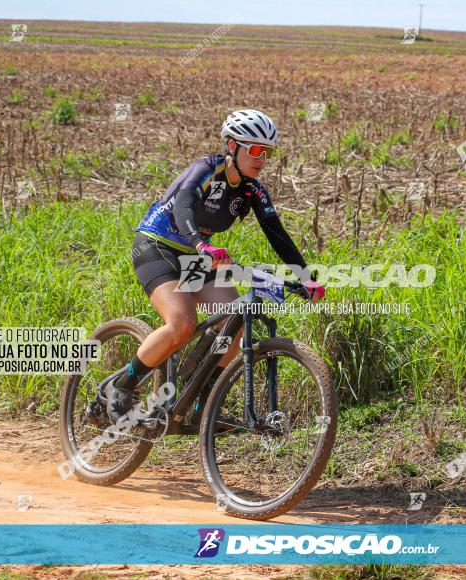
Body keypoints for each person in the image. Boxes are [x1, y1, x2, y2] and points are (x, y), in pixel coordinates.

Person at [106, 109, 325, 423]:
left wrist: (306, 278)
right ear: (233, 147)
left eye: (268, 152)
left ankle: (203, 404)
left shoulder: (253, 190)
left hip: (197, 256)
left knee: (233, 320)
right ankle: (122, 386)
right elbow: (183, 206)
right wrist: (200, 244)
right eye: (255, 150)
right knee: (181, 324)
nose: (262, 158)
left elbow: (278, 235)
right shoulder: (207, 169)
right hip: (157, 245)